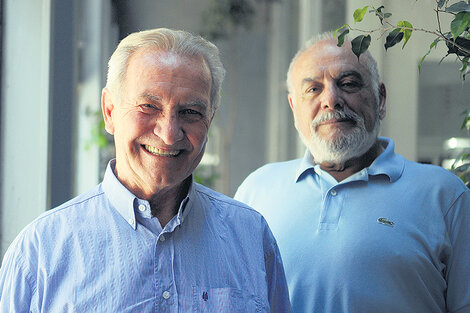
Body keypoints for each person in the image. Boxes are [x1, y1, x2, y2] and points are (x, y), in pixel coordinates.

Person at [0, 28, 291, 312]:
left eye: (190, 112)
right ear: (110, 111)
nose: (168, 134)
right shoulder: (40, 252)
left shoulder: (252, 237)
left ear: (210, 120)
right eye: (148, 106)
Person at [235, 32, 470, 313]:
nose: (331, 100)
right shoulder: (256, 191)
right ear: (294, 109)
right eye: (313, 89)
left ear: (380, 99)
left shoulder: (445, 196)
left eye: (348, 84)